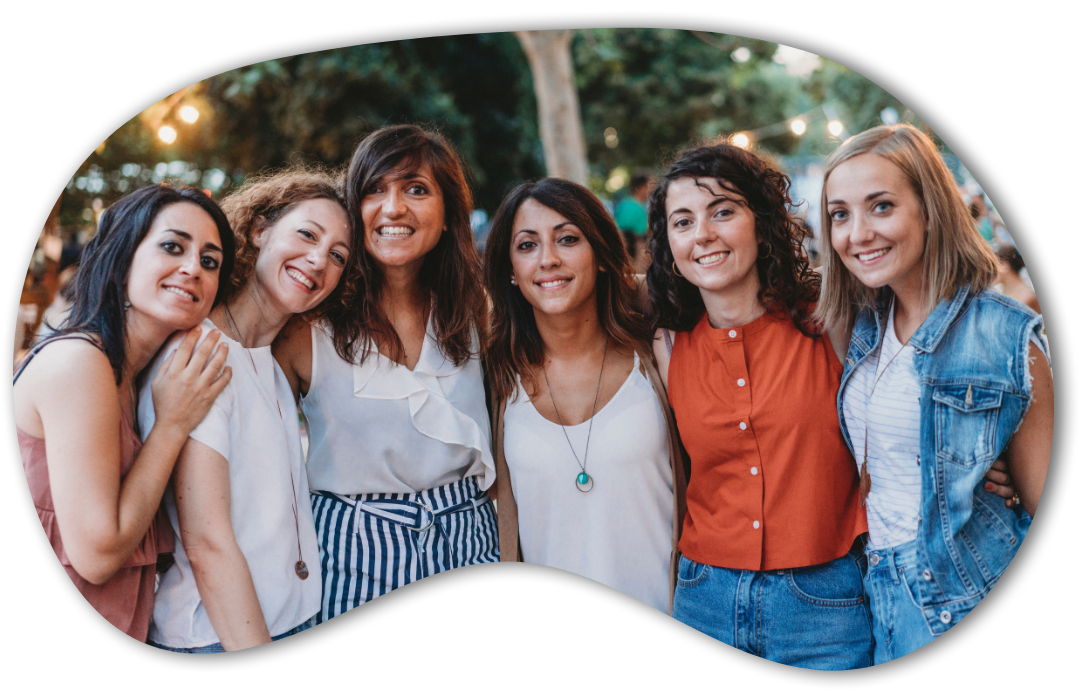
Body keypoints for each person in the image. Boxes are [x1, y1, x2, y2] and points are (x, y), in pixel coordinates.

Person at [816, 124, 1052, 663]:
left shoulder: (1004, 334)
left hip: (964, 590)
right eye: (840, 214)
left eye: (881, 206)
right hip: (879, 592)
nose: (857, 234)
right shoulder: (865, 326)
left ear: (930, 208)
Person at [645, 141, 874, 669]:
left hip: (826, 604)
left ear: (760, 220)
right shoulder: (667, 346)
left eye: (722, 211)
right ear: (669, 245)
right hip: (704, 598)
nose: (702, 234)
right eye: (682, 222)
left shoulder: (827, 317)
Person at [273, 125, 497, 620]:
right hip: (351, 553)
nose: (393, 208)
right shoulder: (305, 327)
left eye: (416, 189)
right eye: (376, 189)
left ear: (447, 216)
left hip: (470, 537)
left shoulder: (477, 312)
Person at [138, 168, 351, 652]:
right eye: (306, 234)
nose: (319, 259)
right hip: (219, 634)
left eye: (338, 255)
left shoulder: (271, 361)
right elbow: (208, 546)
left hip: (286, 617)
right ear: (258, 231)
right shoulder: (201, 356)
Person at [14, 184, 234, 641]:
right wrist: (173, 424)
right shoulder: (81, 362)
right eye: (173, 246)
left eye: (210, 261)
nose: (193, 268)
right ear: (123, 256)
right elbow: (97, 554)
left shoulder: (134, 374)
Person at [484, 178, 687, 613]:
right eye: (526, 246)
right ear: (511, 273)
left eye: (568, 239)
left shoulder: (657, 354)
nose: (548, 259)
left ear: (599, 256)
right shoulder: (495, 376)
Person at [615, 170, 654, 272]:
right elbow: (640, 241)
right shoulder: (638, 209)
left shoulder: (623, 204)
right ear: (641, 187)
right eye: (650, 186)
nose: (652, 190)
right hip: (635, 259)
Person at [995, 244, 1040, 314]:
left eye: (994, 266)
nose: (990, 272)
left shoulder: (1026, 297)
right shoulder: (1002, 293)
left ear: (1005, 266)